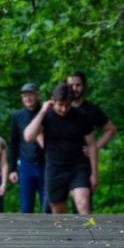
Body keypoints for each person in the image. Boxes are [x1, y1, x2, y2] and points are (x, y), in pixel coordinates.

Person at [23, 83, 97, 214]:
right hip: (55, 168)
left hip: (78, 166)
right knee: (58, 211)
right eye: (60, 105)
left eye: (67, 105)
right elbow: (28, 136)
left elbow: (91, 144)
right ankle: (64, 235)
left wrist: (94, 173)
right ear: (53, 100)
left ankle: (88, 234)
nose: (64, 109)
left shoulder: (81, 116)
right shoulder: (46, 116)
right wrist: (43, 111)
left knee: (83, 203)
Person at [8, 83, 47, 213]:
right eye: (24, 95)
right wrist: (12, 169)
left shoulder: (47, 113)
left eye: (30, 94)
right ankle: (27, 233)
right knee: (26, 207)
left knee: (47, 205)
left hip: (46, 165)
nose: (27, 98)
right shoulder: (17, 116)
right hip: (26, 165)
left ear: (38, 95)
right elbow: (13, 143)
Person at [67, 71, 117, 150]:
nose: (74, 88)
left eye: (78, 85)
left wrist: (95, 147)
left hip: (84, 160)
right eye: (71, 85)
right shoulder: (59, 109)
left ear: (84, 86)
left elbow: (111, 129)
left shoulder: (91, 109)